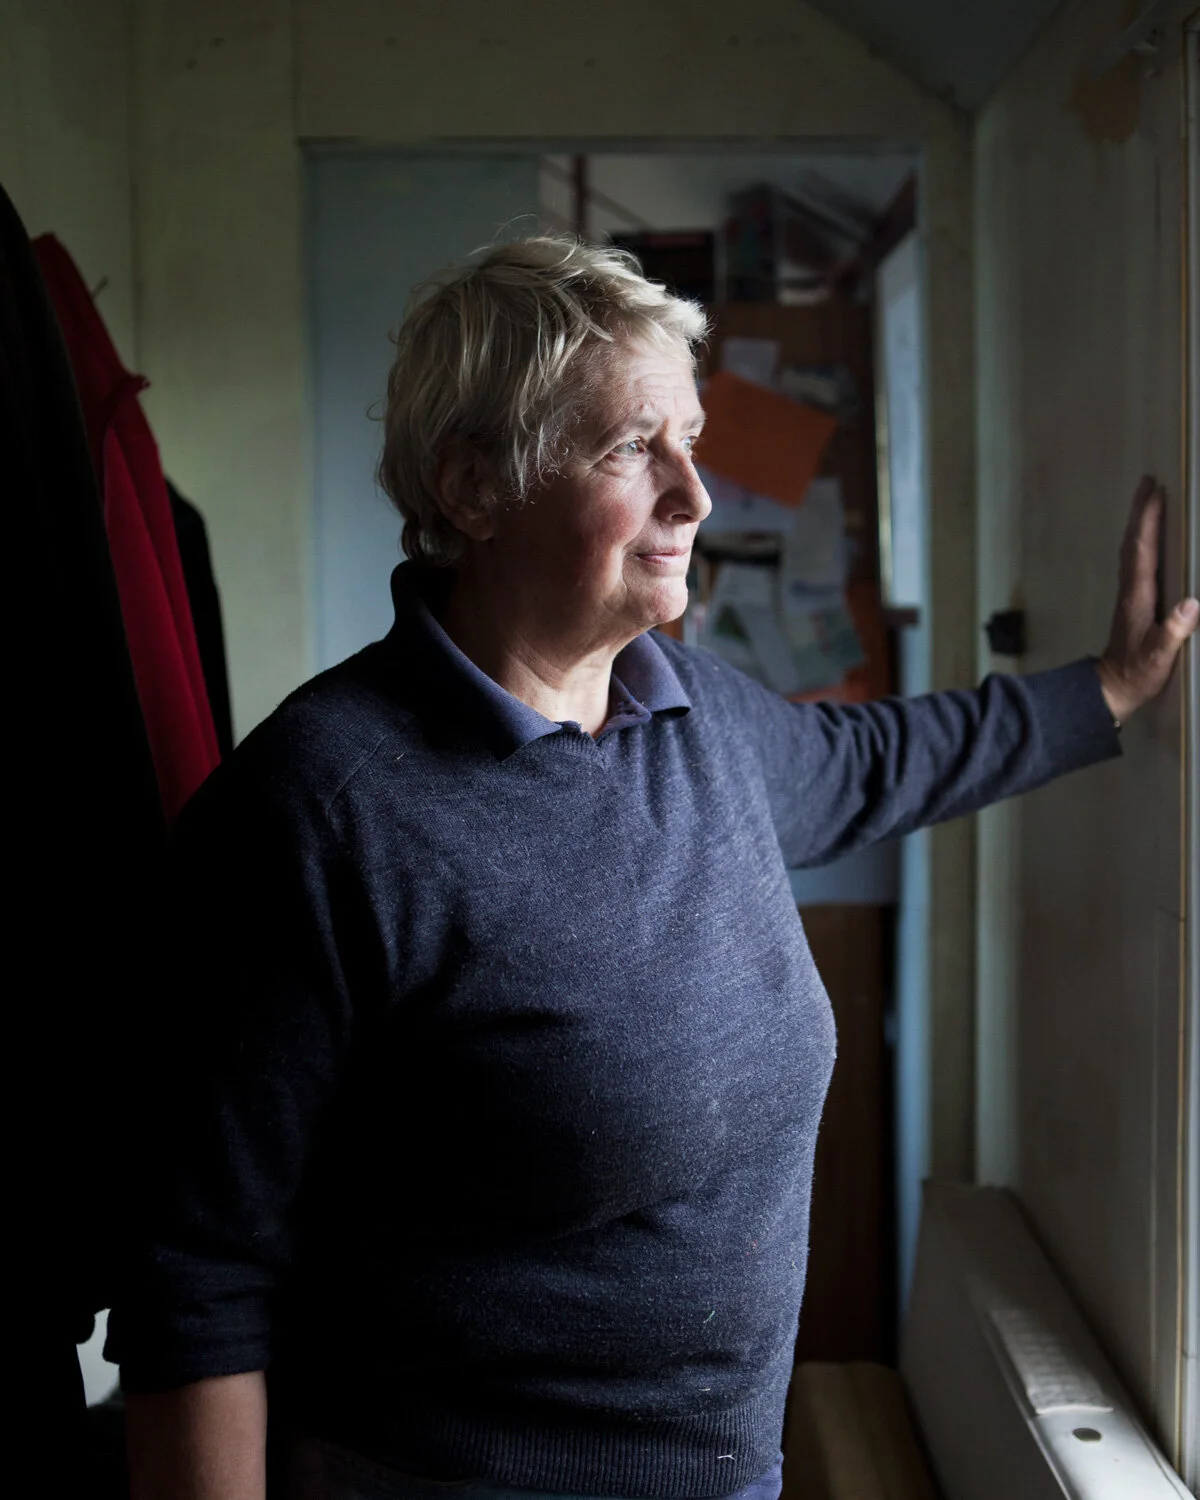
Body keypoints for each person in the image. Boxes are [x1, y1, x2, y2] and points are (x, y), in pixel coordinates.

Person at [111, 236, 1198, 1500]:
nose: (698, 494)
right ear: (472, 483)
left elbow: (868, 761)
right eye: (634, 447)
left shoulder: (686, 709)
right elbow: (193, 1280)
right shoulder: (322, 809)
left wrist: (1102, 697)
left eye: (692, 439)